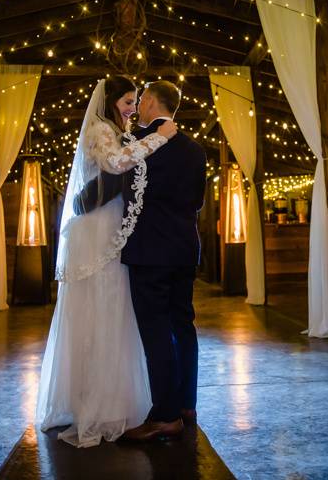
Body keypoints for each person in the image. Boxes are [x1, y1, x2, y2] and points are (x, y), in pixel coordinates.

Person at [36, 77, 177, 448]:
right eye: (129, 101)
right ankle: (93, 404)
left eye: (136, 101)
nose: (133, 107)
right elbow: (114, 165)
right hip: (98, 233)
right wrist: (160, 136)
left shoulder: (119, 129)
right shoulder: (101, 130)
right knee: (99, 308)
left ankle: (116, 398)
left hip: (114, 227)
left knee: (117, 309)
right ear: (112, 101)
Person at [119, 81, 207, 442]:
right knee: (183, 325)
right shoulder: (195, 149)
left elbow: (125, 191)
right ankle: (186, 405)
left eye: (140, 100)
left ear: (151, 101)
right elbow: (198, 201)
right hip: (184, 249)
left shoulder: (138, 146)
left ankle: (166, 416)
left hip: (150, 250)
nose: (137, 106)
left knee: (155, 331)